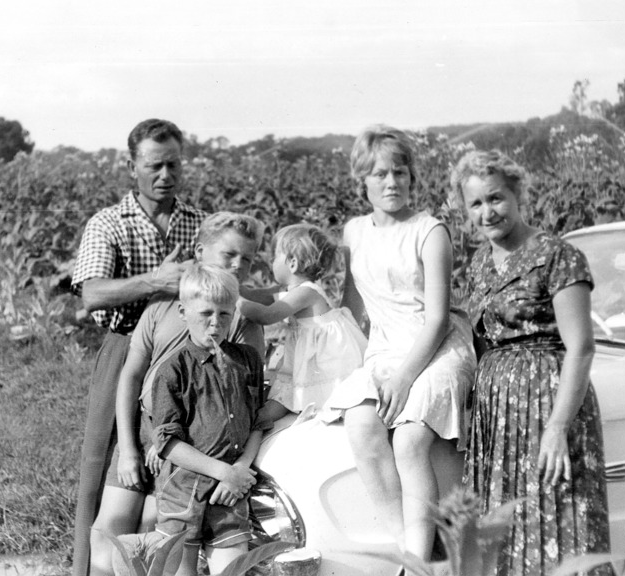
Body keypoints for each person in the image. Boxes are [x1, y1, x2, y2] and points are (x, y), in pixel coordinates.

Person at [450, 150, 612, 576]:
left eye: (496, 198)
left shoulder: (558, 255)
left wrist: (557, 427)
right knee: (505, 533)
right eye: (476, 203)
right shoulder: (479, 264)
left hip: (548, 405)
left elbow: (581, 347)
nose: (487, 212)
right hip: (497, 416)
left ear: (517, 194)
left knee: (563, 524)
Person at [325, 125, 476, 564]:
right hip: (384, 351)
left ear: (412, 177)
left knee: (409, 440)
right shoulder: (354, 232)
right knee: (360, 422)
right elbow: (352, 307)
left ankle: (416, 560)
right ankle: (412, 550)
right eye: (380, 174)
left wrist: (405, 378)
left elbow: (437, 318)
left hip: (438, 348)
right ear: (363, 181)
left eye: (400, 173)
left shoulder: (430, 231)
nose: (392, 182)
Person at [89, 211, 265, 576]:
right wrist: (129, 449)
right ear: (199, 252)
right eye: (229, 254)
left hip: (195, 443)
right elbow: (132, 376)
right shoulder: (162, 306)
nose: (238, 265)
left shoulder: (239, 318)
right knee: (110, 531)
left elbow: (243, 400)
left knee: (158, 529)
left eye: (247, 259)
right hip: (145, 428)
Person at [70, 118, 206, 576]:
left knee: (170, 468)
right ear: (132, 167)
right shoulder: (109, 222)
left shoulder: (199, 224)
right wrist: (156, 281)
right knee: (106, 466)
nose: (165, 175)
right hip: (125, 349)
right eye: (154, 166)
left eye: (173, 165)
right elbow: (92, 293)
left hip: (185, 356)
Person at [149, 263, 270, 576]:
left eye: (225, 314)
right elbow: (167, 443)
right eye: (205, 314)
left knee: (233, 571)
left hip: (230, 493)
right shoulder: (172, 370)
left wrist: (239, 469)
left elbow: (258, 420)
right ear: (183, 311)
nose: (215, 324)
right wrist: (223, 471)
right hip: (182, 494)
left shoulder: (248, 360)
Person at [237, 223, 367, 422]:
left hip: (323, 362)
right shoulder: (292, 290)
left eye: (274, 257)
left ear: (292, 263)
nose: (271, 262)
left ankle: (257, 421)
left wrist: (236, 302)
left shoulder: (306, 292)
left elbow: (266, 316)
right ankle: (258, 420)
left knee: (302, 396)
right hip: (304, 358)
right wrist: (236, 287)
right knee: (283, 396)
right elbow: (258, 296)